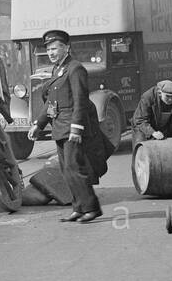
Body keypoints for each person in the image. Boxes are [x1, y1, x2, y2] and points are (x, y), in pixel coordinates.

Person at [27, 29, 111, 223]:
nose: (51, 53)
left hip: (71, 127)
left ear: (66, 48)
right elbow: (50, 103)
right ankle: (79, 208)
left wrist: (76, 129)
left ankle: (92, 207)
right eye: (48, 50)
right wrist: (38, 125)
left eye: (55, 48)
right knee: (67, 170)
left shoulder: (75, 69)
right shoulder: (57, 70)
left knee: (75, 168)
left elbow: (81, 100)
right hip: (59, 127)